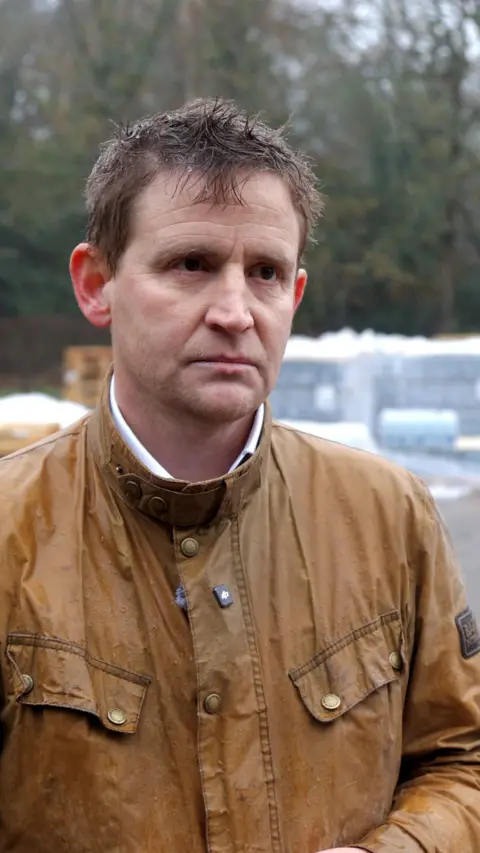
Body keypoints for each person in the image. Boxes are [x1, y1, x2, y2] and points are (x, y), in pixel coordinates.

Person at [0, 98, 479, 853]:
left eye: (264, 272)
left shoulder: (391, 515)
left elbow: (463, 758)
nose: (234, 310)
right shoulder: (9, 536)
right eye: (190, 264)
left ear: (294, 295)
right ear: (96, 284)